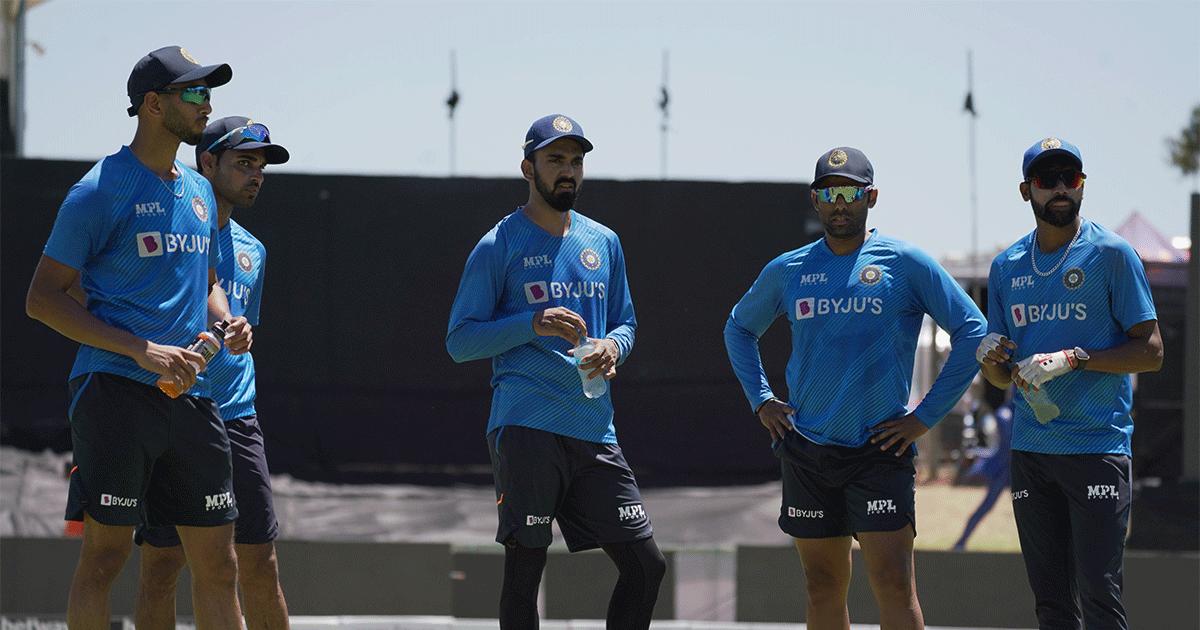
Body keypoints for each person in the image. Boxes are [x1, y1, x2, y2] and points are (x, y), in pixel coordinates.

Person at [25, 46, 250, 628]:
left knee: (219, 565)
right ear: (153, 104)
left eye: (209, 93)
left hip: (194, 398)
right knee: (105, 559)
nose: (207, 105)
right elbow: (42, 298)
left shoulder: (199, 191)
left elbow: (208, 280)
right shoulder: (99, 189)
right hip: (115, 393)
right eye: (194, 93)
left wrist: (226, 318)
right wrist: (140, 349)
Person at [724, 147, 986, 630]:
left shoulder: (905, 263)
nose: (839, 203)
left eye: (850, 192)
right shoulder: (789, 269)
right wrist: (761, 400)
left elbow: (973, 331)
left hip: (879, 451)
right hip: (808, 450)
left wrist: (924, 418)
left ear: (872, 196)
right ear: (815, 200)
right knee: (822, 586)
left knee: (893, 584)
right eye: (829, 193)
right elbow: (739, 328)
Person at [446, 114, 666, 629]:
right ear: (528, 168)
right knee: (526, 570)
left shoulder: (604, 242)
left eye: (576, 161)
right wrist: (532, 322)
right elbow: (460, 341)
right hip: (527, 426)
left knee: (646, 566)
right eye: (556, 160)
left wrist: (613, 347)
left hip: (594, 429)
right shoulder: (499, 244)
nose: (568, 171)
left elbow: (626, 323)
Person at [976, 137, 1162, 630]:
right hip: (1032, 451)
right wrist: (990, 360)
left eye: (1070, 178)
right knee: (1052, 604)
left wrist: (1075, 359)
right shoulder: (1006, 266)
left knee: (1099, 595)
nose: (1060, 188)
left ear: (1082, 185)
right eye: (1046, 179)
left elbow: (1152, 352)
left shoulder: (1111, 254)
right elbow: (999, 374)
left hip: (1096, 446)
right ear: (1026, 191)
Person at [134, 117, 291, 630]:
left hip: (236, 418)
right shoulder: (167, 233)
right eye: (244, 163)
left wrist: (241, 334)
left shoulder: (253, 250)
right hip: (173, 411)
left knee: (260, 565)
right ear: (207, 162)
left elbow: (240, 330)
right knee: (162, 566)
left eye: (261, 166)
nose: (256, 175)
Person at [952, 383, 1013, 551]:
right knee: (987, 506)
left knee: (988, 506)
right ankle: (961, 542)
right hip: (1007, 469)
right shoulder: (1005, 415)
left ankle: (961, 542)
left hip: (1008, 468)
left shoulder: (1005, 414)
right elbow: (1004, 448)